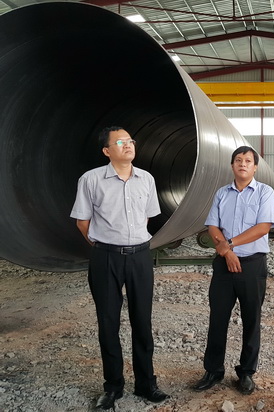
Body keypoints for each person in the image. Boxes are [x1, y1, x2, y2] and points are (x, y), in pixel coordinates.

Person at [70, 126, 169, 410]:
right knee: (108, 323)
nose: (128, 145)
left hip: (140, 257)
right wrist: (105, 245)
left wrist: (131, 241)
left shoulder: (146, 179)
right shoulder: (91, 180)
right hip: (106, 258)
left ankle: (146, 383)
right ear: (106, 151)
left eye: (130, 141)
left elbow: (147, 218)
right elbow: (82, 222)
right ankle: (113, 387)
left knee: (142, 321)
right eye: (120, 142)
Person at [193, 146, 274, 395]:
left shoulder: (264, 193)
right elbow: (212, 226)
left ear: (255, 167)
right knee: (218, 318)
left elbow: (263, 227)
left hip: (252, 265)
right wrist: (228, 252)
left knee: (252, 319)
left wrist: (229, 244)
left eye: (248, 160)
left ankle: (246, 372)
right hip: (224, 264)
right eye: (238, 160)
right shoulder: (222, 193)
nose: (243, 164)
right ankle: (213, 370)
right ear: (232, 165)